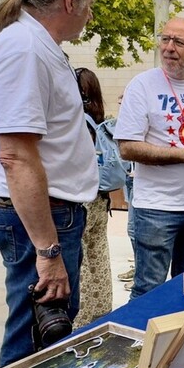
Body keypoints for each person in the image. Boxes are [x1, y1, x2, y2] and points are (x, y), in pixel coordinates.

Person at [0, 0, 98, 367]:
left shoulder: (33, 45)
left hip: (47, 216)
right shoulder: (25, 49)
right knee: (31, 348)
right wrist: (48, 251)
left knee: (43, 341)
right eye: (90, 3)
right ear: (70, 1)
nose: (91, 14)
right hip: (42, 221)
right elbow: (16, 157)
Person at [114, 17, 184, 299]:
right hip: (155, 209)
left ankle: (183, 344)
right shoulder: (142, 86)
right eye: (165, 39)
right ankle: (141, 343)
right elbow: (127, 147)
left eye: (179, 42)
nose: (169, 47)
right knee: (148, 290)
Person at [73, 67, 112, 327]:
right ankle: (101, 313)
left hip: (80, 197)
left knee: (81, 262)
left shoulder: (75, 121)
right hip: (101, 197)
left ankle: (81, 321)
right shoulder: (99, 119)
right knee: (99, 257)